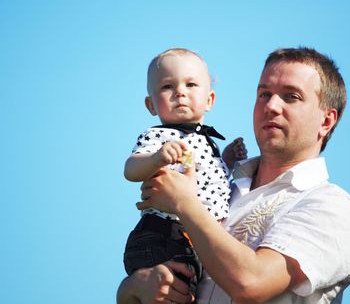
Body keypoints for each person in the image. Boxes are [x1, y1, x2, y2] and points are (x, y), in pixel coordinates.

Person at [117, 47, 350, 304]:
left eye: (291, 96)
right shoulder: (226, 189)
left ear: (326, 122)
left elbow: (251, 283)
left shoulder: (333, 207)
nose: (271, 106)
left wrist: (183, 204)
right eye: (264, 94)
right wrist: (134, 288)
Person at [123, 48, 247, 296]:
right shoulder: (160, 136)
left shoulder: (207, 142)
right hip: (163, 236)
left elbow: (208, 179)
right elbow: (131, 169)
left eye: (191, 84)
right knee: (171, 292)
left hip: (194, 241)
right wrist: (157, 158)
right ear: (151, 104)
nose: (180, 92)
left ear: (209, 100)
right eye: (167, 87)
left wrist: (228, 160)